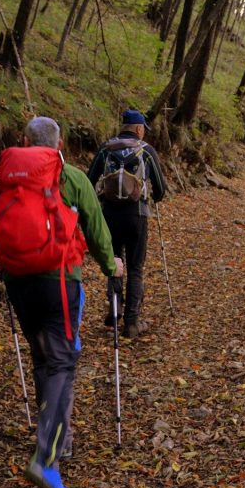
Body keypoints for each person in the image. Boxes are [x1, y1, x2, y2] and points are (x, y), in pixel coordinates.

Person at [0, 116, 123, 488]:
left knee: (44, 356)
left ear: (24, 140)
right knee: (62, 362)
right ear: (59, 145)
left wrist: (6, 268)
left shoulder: (7, 182)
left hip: (18, 282)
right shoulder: (72, 178)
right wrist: (112, 265)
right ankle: (51, 454)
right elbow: (95, 229)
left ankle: (52, 440)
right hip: (61, 282)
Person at [87, 109, 167, 339]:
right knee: (135, 267)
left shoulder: (105, 149)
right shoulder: (147, 151)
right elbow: (161, 189)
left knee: (114, 262)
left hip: (110, 215)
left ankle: (114, 310)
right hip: (137, 215)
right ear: (139, 128)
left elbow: (89, 179)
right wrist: (153, 195)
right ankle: (131, 323)